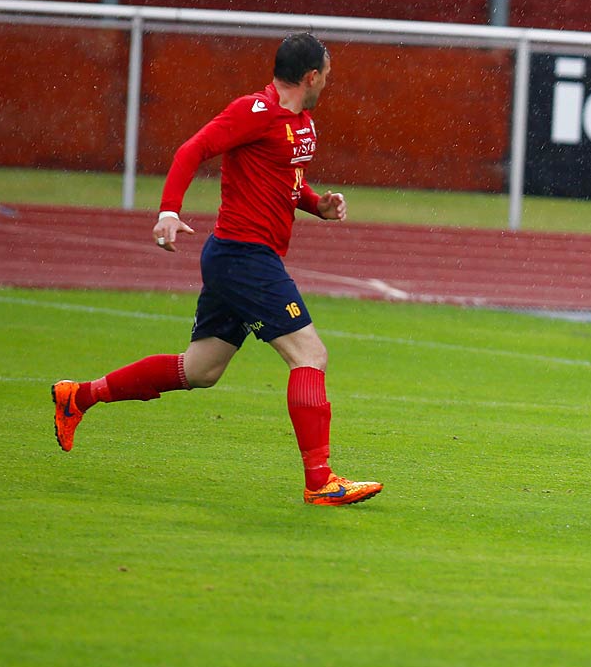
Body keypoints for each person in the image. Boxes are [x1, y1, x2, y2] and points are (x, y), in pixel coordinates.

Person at [51, 32, 381, 507]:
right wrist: (168, 210)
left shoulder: (301, 123)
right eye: (326, 75)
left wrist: (315, 204)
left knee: (201, 369)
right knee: (310, 355)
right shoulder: (255, 112)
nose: (328, 82)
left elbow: (283, 179)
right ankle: (321, 481)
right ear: (311, 76)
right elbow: (192, 150)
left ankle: (78, 396)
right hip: (244, 257)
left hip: (237, 257)